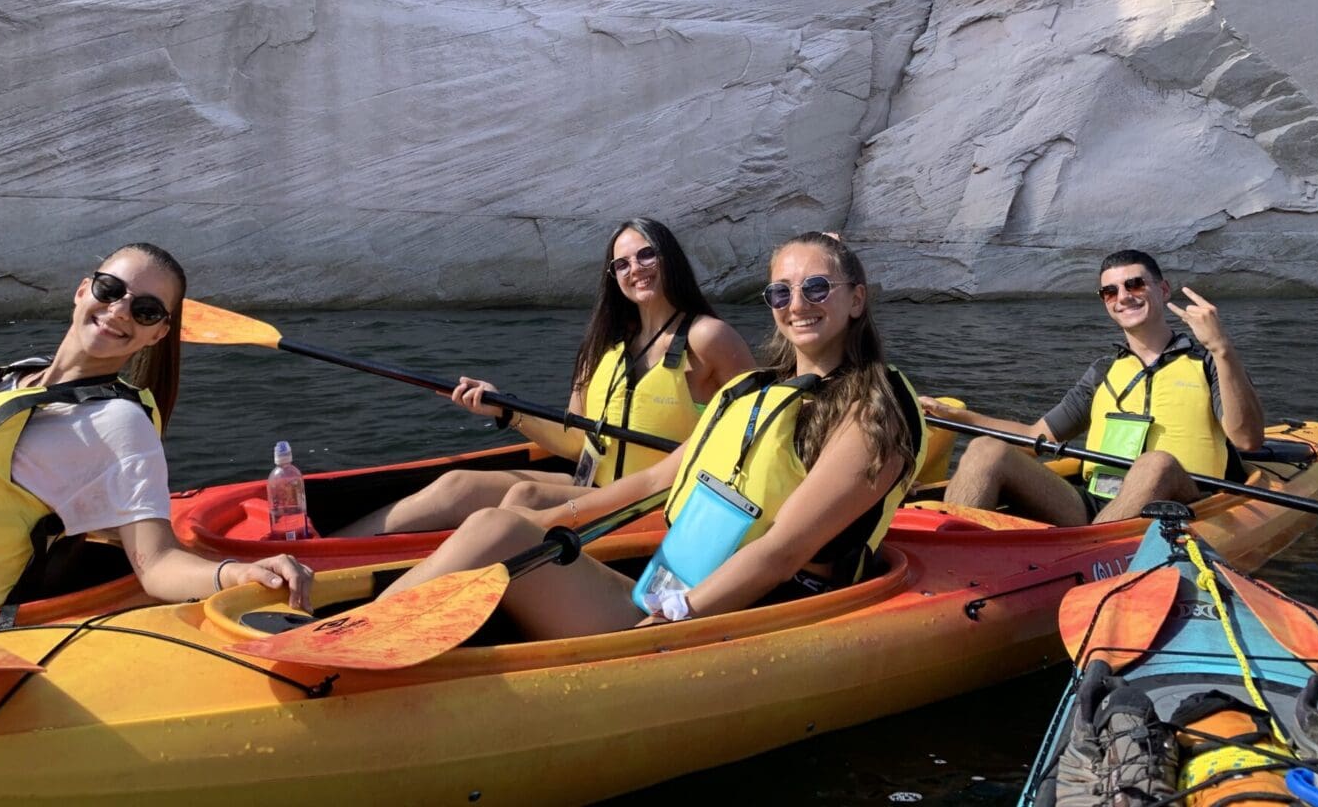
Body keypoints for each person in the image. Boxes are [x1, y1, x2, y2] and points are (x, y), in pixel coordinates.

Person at [376, 231, 924, 638]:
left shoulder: (871, 412)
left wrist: (677, 617)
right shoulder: (757, 388)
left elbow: (782, 551)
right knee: (497, 523)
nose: (798, 304)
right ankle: (355, 631)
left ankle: (346, 640)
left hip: (749, 611)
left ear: (856, 299)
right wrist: (543, 522)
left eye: (817, 287)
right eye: (781, 293)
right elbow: (662, 477)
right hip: (669, 584)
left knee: (496, 529)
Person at [0, 243, 313, 617]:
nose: (120, 309)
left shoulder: (118, 423)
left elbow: (157, 565)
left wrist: (236, 573)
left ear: (159, 333)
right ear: (82, 291)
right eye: (110, 289)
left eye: (145, 310)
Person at [337, 218, 754, 536]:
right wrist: (506, 410)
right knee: (457, 485)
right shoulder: (604, 345)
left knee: (525, 496)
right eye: (622, 263)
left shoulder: (707, 337)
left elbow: (758, 429)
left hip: (654, 500)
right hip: (593, 485)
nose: (636, 269)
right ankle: (329, 548)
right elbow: (575, 443)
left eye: (647, 255)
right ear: (613, 277)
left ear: (670, 259)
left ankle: (452, 574)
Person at [928, 249, 1265, 526]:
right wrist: (961, 416)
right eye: (1110, 291)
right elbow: (1035, 436)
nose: (1123, 297)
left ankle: (1092, 551)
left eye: (1135, 285)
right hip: (1096, 504)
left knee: (1156, 463)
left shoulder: (1209, 362)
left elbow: (1247, 439)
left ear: (1162, 290)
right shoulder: (1103, 371)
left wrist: (1222, 349)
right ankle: (953, 550)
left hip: (1186, 501)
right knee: (987, 450)